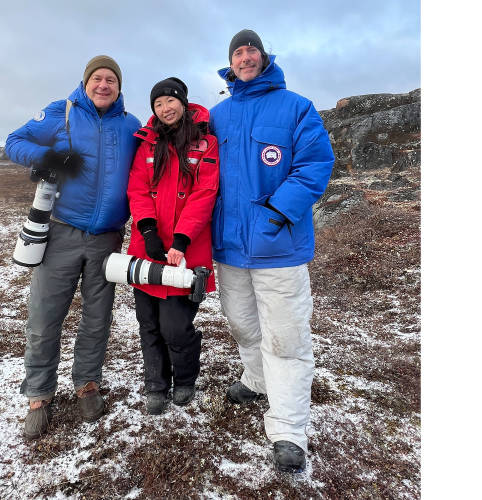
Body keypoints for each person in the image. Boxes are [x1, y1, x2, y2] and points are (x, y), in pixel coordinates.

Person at [209, 30, 335, 472]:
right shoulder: (217, 115)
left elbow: (315, 164)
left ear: (264, 57)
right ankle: (257, 379)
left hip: (278, 245)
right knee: (243, 325)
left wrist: (278, 213)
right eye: (237, 52)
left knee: (286, 338)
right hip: (229, 248)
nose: (245, 56)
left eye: (251, 50)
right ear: (230, 62)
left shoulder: (295, 107)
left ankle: (288, 430)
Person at [5, 55, 141, 439]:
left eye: (110, 79)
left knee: (98, 318)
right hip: (62, 232)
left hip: (108, 238)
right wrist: (48, 157)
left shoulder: (131, 125)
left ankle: (87, 383)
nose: (103, 85)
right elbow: (14, 142)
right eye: (97, 78)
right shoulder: (60, 112)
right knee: (45, 316)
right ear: (85, 83)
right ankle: (38, 394)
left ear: (119, 86)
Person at [127, 78, 219, 415]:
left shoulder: (205, 141)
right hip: (147, 249)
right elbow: (137, 188)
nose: (165, 109)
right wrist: (148, 230)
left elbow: (205, 192)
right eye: (158, 104)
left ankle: (184, 379)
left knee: (175, 327)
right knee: (148, 322)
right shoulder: (146, 144)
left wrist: (181, 239)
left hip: (187, 252)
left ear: (183, 102)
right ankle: (156, 384)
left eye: (170, 101)